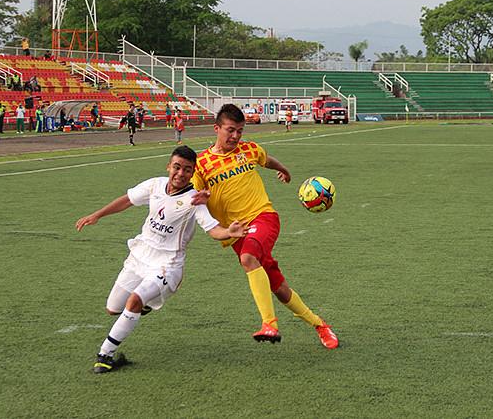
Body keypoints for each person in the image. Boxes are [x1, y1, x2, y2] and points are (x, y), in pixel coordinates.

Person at [75, 145, 247, 373]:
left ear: (192, 172)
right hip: (139, 257)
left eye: (187, 170)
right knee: (112, 309)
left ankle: (105, 355)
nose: (180, 173)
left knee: (134, 301)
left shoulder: (194, 200)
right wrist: (97, 215)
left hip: (167, 265)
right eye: (177, 167)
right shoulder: (154, 185)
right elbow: (127, 200)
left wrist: (229, 232)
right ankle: (145, 304)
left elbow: (213, 229)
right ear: (169, 166)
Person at [192, 104, 339, 349]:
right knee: (279, 288)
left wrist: (283, 169)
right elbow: (195, 194)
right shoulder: (201, 163)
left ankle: (269, 324)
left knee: (248, 258)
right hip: (236, 232)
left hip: (263, 217)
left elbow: (266, 159)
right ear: (216, 128)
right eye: (230, 130)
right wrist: (201, 197)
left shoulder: (248, 150)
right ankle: (320, 325)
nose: (236, 136)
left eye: (240, 130)